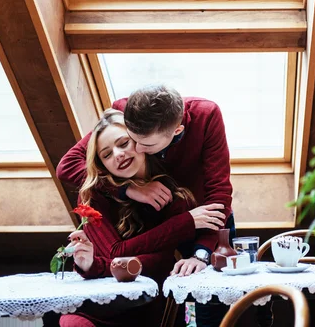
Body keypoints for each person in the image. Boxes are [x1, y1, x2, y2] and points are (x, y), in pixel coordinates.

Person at [57, 86, 234, 326]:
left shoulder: (207, 116)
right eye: (132, 139)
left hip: (205, 216)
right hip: (159, 216)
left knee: (208, 309)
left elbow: (219, 194)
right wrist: (128, 188)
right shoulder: (122, 113)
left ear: (177, 131)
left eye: (144, 145)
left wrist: (201, 254)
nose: (135, 150)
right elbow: (67, 166)